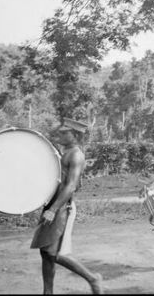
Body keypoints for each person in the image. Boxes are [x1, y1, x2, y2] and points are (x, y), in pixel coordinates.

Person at [31, 118, 103, 294]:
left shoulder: (76, 155)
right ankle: (48, 292)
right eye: (61, 132)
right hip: (53, 205)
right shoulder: (65, 152)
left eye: (65, 133)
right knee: (45, 252)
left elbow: (70, 185)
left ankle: (93, 279)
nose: (60, 135)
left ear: (76, 135)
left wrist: (54, 210)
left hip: (62, 208)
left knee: (55, 254)